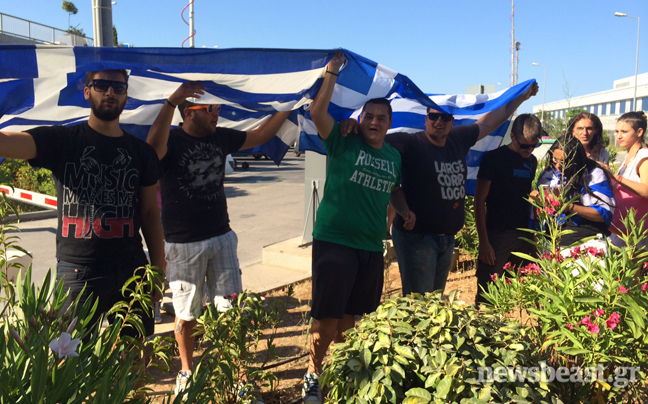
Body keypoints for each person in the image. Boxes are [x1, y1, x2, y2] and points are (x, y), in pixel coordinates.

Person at [146, 81, 290, 396]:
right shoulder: (170, 139)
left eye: (218, 108)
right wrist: (171, 101)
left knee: (231, 313)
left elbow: (261, 135)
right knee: (187, 316)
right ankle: (186, 372)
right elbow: (151, 149)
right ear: (189, 112)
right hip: (183, 246)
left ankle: (240, 377)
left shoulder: (221, 136)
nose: (217, 114)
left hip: (222, 238)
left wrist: (290, 103)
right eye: (211, 109)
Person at [0, 69, 164, 338]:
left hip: (133, 270)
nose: (110, 92)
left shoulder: (141, 152)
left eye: (118, 87)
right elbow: (4, 144)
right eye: (101, 85)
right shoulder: (62, 141)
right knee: (72, 366)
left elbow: (149, 213)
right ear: (87, 91)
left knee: (133, 363)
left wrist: (157, 270)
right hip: (79, 272)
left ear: (126, 96)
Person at [349, 83, 538, 296]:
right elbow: (373, 136)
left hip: (447, 239)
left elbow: (490, 121)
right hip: (418, 239)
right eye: (434, 117)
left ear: (452, 121)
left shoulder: (458, 139)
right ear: (426, 119)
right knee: (420, 304)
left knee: (435, 302)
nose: (439, 122)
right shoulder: (410, 143)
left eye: (445, 118)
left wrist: (521, 98)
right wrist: (354, 126)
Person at [302, 53, 414, 404]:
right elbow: (317, 114)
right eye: (369, 116)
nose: (374, 122)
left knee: (352, 319)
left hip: (369, 247)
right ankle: (312, 376)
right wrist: (332, 72)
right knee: (325, 319)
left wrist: (405, 209)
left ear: (389, 123)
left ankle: (341, 373)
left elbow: (395, 187)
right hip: (334, 243)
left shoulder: (393, 157)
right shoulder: (342, 140)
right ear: (359, 119)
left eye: (381, 118)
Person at [474, 114, 542, 304]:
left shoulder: (532, 162)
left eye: (533, 145)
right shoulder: (494, 159)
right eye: (524, 145)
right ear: (512, 137)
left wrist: (533, 237)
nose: (529, 150)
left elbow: (523, 194)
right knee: (488, 292)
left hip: (523, 234)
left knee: (520, 290)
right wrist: (484, 242)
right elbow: (479, 201)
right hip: (497, 235)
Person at [536, 135, 614, 248]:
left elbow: (604, 214)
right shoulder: (549, 174)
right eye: (555, 160)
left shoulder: (593, 174)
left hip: (586, 244)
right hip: (553, 244)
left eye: (563, 162)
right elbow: (539, 215)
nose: (558, 166)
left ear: (575, 160)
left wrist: (568, 207)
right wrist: (537, 202)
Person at [599, 111, 648, 249]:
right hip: (622, 230)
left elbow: (646, 190)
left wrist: (615, 176)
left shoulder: (644, 157)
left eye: (624, 131)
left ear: (639, 132)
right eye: (617, 131)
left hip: (637, 232)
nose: (619, 136)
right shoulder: (628, 158)